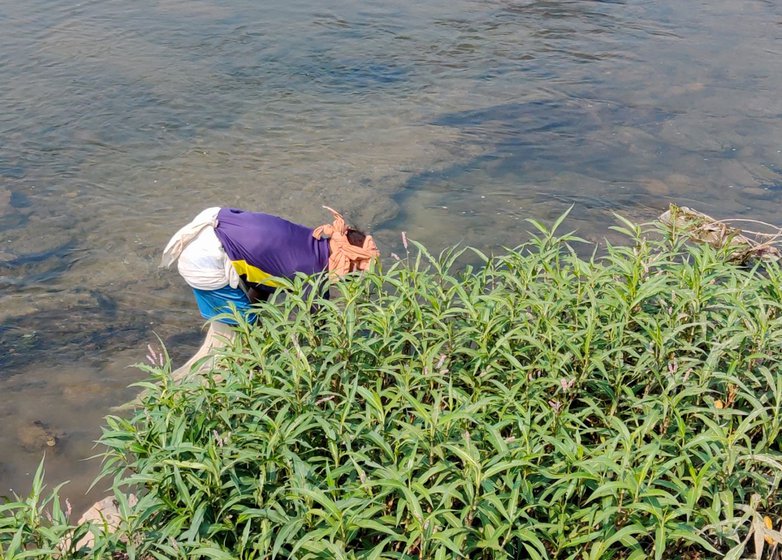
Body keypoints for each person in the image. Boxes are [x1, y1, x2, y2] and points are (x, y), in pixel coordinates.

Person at [159, 205, 380, 380]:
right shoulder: (313, 272)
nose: (353, 277)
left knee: (250, 321)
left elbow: (262, 282)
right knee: (246, 337)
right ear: (346, 261)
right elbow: (317, 325)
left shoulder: (309, 241)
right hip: (205, 260)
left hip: (220, 227)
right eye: (355, 271)